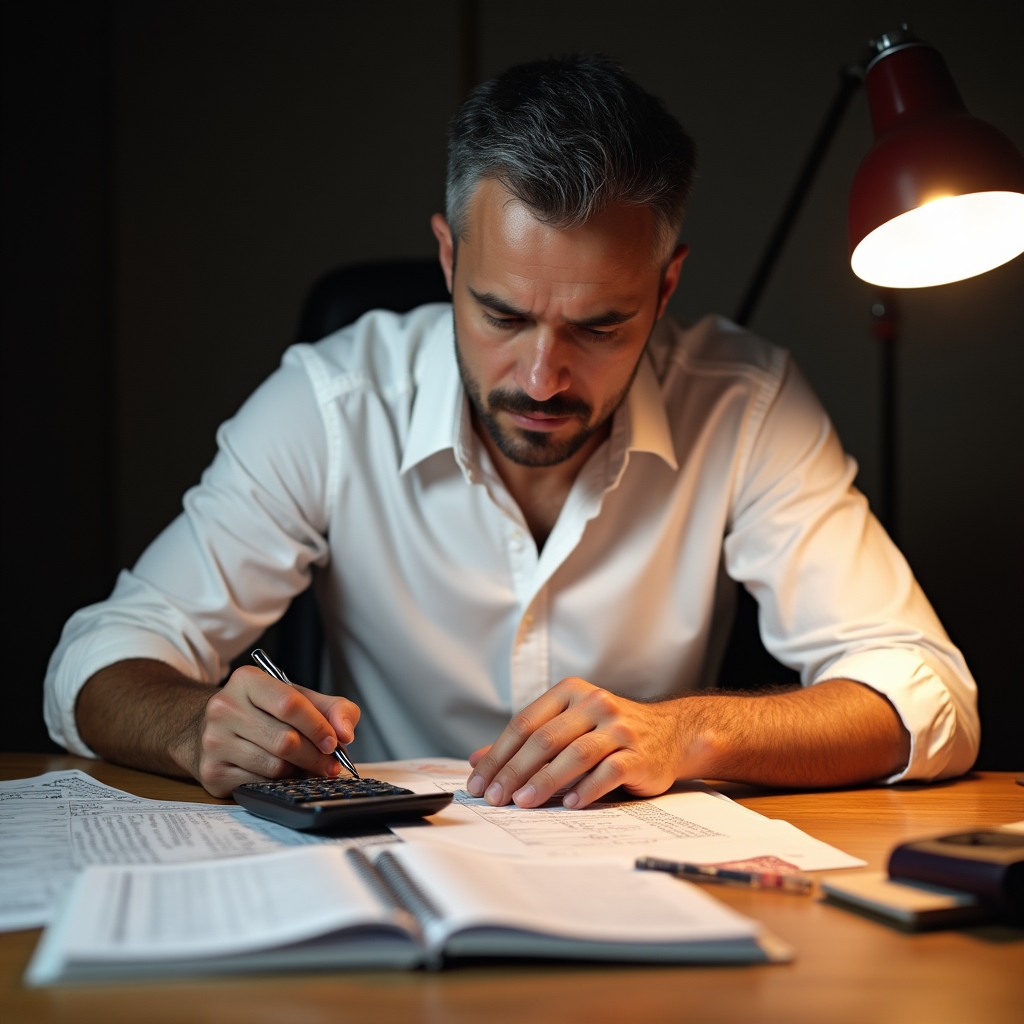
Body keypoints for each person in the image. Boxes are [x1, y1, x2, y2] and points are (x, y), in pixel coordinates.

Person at [45, 55, 978, 808]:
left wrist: (687, 731)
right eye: (502, 315)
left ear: (666, 288)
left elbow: (927, 691)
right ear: (449, 257)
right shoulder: (330, 401)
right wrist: (192, 726)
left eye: (599, 326)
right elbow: (96, 659)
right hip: (382, 873)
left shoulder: (747, 402)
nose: (541, 378)